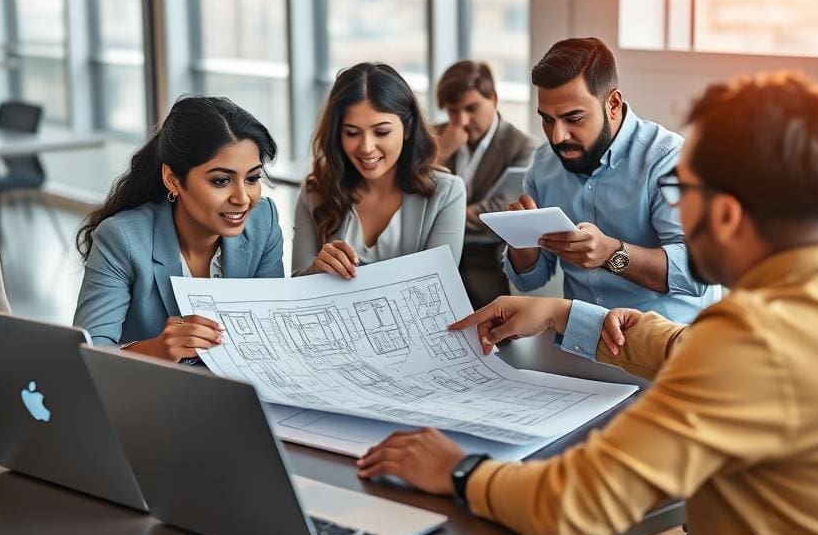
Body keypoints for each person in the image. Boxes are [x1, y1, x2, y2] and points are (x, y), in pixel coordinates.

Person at [358, 72, 818, 535]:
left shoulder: (750, 343)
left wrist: (458, 470)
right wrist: (561, 312)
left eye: (683, 190)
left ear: (726, 214)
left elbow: (576, 505)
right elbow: (697, 348)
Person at [505, 36, 717, 327]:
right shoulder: (543, 164)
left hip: (666, 344)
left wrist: (612, 254)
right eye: (548, 120)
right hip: (583, 342)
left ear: (613, 103)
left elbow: (698, 271)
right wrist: (522, 245)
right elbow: (532, 281)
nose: (558, 137)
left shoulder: (668, 159)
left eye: (574, 118)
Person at [74, 96, 284, 361]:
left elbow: (272, 324)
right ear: (173, 180)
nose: (242, 198)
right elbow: (88, 352)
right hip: (151, 392)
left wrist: (316, 280)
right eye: (221, 181)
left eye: (252, 178)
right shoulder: (122, 238)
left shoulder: (263, 221)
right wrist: (157, 350)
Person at [291, 62, 466, 278]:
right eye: (352, 133)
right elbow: (298, 281)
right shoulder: (315, 191)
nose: (366, 147)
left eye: (381, 132)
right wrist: (317, 269)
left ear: (408, 128)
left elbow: (440, 284)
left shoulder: (447, 193)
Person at [434, 60, 538, 308]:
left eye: (471, 108)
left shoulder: (523, 147)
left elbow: (499, 212)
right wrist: (440, 153)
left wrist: (435, 219)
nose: (462, 121)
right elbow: (403, 195)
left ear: (494, 98)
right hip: (431, 259)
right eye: (453, 111)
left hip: (484, 267)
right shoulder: (434, 138)